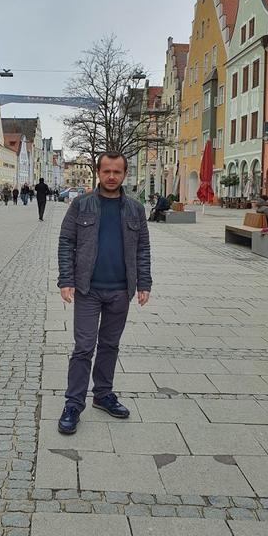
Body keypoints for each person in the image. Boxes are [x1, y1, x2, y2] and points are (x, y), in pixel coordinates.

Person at [57, 151, 152, 435]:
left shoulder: (135, 209)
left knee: (110, 345)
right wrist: (66, 279)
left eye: (117, 172)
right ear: (98, 172)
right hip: (88, 289)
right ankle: (73, 404)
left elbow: (143, 249)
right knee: (84, 347)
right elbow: (66, 241)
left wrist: (144, 283)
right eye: (107, 171)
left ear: (124, 174)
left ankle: (102, 394)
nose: (112, 176)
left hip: (121, 290)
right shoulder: (81, 204)